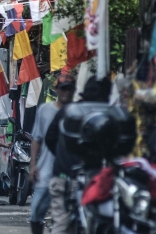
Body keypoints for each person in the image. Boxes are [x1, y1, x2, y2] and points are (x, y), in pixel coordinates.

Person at [45, 76, 111, 234]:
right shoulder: (105, 114)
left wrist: (64, 157)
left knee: (61, 224)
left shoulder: (69, 111)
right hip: (91, 180)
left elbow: (50, 138)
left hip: (64, 176)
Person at [29, 74, 76, 234]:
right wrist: (33, 165)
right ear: (56, 90)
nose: (66, 93)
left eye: (70, 89)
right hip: (46, 170)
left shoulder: (77, 110)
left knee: (67, 213)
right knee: (36, 211)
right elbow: (37, 139)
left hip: (69, 170)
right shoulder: (45, 110)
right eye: (63, 89)